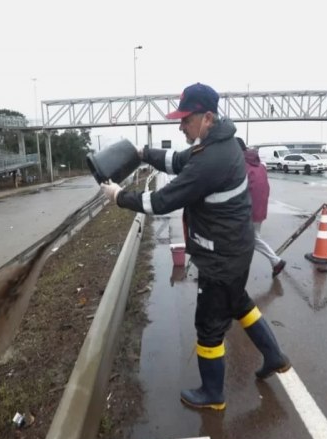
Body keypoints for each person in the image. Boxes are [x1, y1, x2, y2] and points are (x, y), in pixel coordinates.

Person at [100, 83, 291, 410]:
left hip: (222, 258)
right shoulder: (218, 143)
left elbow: (162, 200)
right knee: (240, 303)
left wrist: (120, 197)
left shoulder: (211, 160)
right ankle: (275, 356)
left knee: (209, 326)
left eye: (185, 119)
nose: (180, 125)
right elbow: (176, 159)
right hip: (236, 249)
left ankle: (213, 394)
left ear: (207, 118)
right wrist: (145, 153)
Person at [236, 137, 286, 277]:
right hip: (260, 207)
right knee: (250, 238)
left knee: (250, 238)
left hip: (248, 209)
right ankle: (240, 267)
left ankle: (276, 261)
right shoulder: (259, 164)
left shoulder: (241, 165)